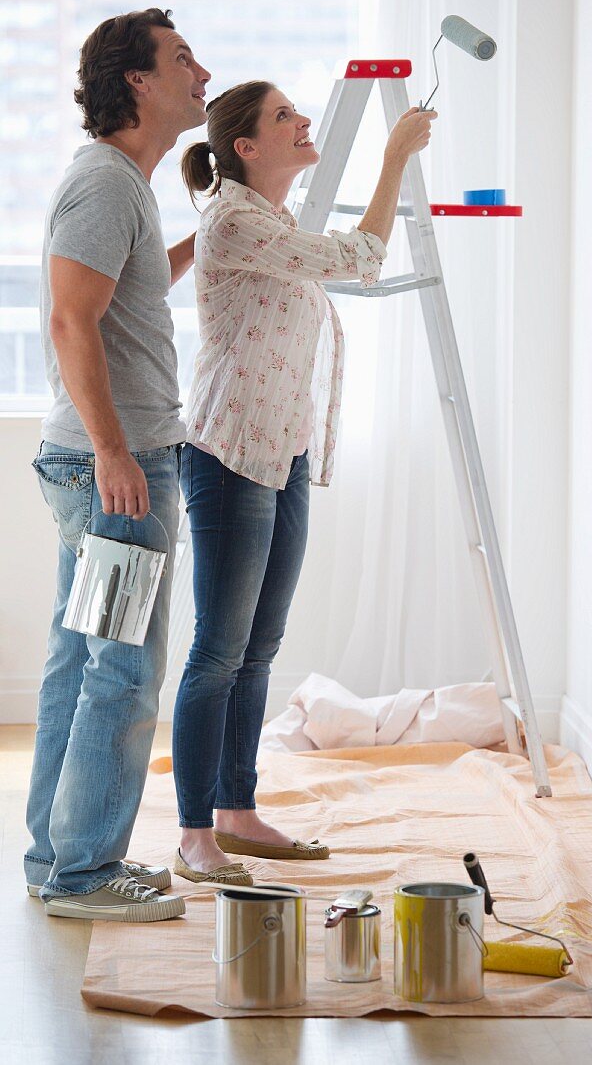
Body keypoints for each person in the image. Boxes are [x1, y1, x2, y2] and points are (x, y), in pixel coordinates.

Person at [172, 80, 436, 884]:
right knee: (219, 652)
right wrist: (393, 157)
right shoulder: (239, 220)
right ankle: (193, 836)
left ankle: (237, 811)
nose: (303, 120)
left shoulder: (271, 219)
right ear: (246, 147)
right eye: (284, 115)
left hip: (279, 453)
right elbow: (360, 259)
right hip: (227, 456)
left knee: (257, 651)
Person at [25, 8, 211, 921]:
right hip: (116, 465)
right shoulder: (103, 183)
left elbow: (122, 297)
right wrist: (112, 452)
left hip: (107, 458)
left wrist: (198, 243)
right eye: (182, 59)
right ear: (137, 81)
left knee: (81, 662)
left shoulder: (123, 185)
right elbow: (70, 320)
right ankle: (86, 875)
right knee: (123, 671)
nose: (201, 72)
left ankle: (54, 857)